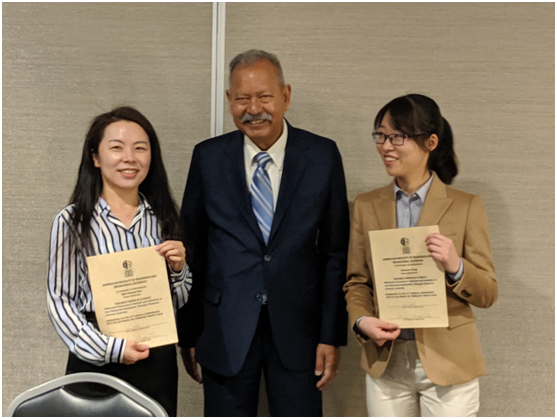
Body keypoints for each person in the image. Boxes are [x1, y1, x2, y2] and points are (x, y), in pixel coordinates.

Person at [178, 49, 350, 416]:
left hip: (300, 331)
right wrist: (189, 334)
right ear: (229, 101)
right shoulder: (208, 158)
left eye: (264, 96)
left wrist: (330, 335)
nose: (253, 108)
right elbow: (192, 250)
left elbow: (336, 251)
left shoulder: (322, 156)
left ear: (285, 96)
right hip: (223, 329)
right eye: (242, 98)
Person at [344, 94, 498, 417]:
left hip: (450, 363)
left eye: (397, 136)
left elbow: (487, 292)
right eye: (381, 135)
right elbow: (356, 282)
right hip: (386, 361)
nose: (386, 146)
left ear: (430, 142)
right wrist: (362, 320)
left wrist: (456, 266)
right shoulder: (366, 206)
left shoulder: (467, 205)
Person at [46, 106, 192, 416]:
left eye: (140, 148)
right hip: (95, 359)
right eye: (116, 148)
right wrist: (111, 349)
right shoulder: (72, 222)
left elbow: (177, 301)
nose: (130, 158)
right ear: (95, 157)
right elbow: (61, 302)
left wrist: (179, 271)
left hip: (157, 359)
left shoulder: (164, 218)